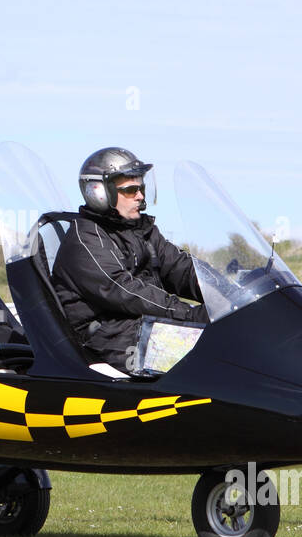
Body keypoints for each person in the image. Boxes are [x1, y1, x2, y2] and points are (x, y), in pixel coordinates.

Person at [51, 147, 207, 370]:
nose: (140, 196)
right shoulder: (85, 241)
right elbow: (126, 291)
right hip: (109, 341)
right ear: (99, 193)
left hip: (141, 328)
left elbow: (179, 267)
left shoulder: (139, 230)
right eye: (130, 190)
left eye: (141, 187)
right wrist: (190, 314)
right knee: (212, 353)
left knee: (231, 334)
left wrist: (224, 292)